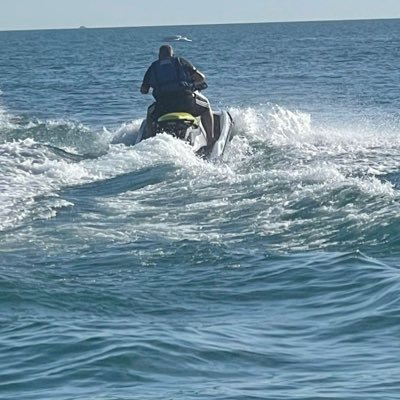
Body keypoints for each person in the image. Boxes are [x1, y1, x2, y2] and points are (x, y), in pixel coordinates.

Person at [140, 45, 214, 145]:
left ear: (159, 56)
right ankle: (210, 139)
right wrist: (191, 84)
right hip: (186, 103)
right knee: (206, 107)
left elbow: (143, 90)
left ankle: (149, 141)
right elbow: (201, 78)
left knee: (150, 113)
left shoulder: (153, 67)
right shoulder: (180, 61)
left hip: (163, 106)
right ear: (172, 54)